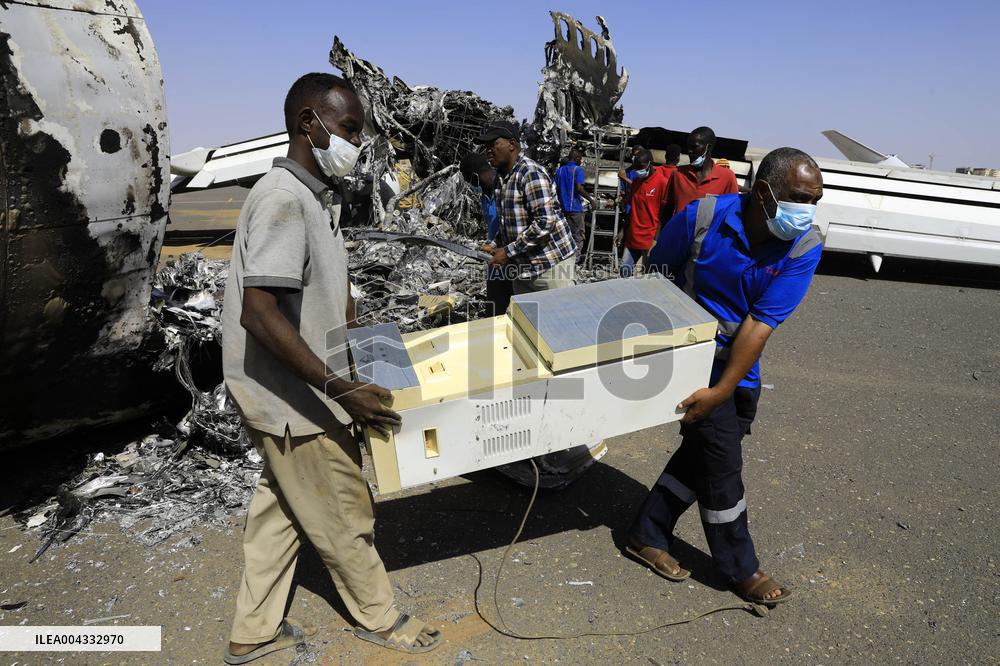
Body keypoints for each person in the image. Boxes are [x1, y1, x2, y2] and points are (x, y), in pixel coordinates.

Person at [221, 73, 441, 663]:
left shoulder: (315, 199)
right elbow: (259, 313)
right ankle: (381, 616)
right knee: (345, 510)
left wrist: (366, 353)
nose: (354, 142)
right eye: (346, 129)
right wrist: (339, 387)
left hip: (292, 392)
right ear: (307, 124)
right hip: (299, 400)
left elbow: (327, 295)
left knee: (281, 509)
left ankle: (252, 632)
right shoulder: (283, 199)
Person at [626, 147, 824, 607]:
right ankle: (741, 567)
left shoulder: (803, 245)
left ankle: (645, 532)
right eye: (798, 197)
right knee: (722, 464)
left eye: (815, 200)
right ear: (763, 192)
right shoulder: (703, 217)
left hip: (737, 370)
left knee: (702, 457)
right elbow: (655, 275)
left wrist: (722, 391)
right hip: (686, 359)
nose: (807, 210)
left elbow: (759, 325)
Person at [474, 120, 576, 294]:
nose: (488, 151)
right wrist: (494, 244)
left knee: (556, 318)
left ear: (512, 144)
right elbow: (509, 222)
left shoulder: (530, 173)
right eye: (486, 147)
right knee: (526, 319)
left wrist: (506, 252)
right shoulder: (500, 178)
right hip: (523, 268)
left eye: (493, 145)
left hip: (550, 265)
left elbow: (545, 223)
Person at [460, 152, 510, 315]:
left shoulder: (505, 188)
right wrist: (490, 245)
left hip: (510, 255)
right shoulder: (485, 195)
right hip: (494, 256)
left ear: (475, 176)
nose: (470, 185)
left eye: (469, 181)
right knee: (495, 305)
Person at [619, 148, 675, 277]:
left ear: (651, 164)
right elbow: (632, 208)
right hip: (633, 235)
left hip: (650, 239)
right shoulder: (636, 183)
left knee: (647, 276)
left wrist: (657, 238)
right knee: (624, 271)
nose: (639, 171)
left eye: (641, 168)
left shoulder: (662, 183)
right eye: (636, 169)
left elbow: (665, 212)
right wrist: (623, 231)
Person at [664, 126, 738, 216]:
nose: (690, 151)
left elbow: (732, 213)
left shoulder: (727, 177)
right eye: (688, 148)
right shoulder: (678, 174)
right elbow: (666, 211)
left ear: (708, 147)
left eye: (694, 147)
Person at [554, 146, 594, 257]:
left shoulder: (559, 171)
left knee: (565, 235)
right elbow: (579, 188)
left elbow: (555, 188)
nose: (581, 161)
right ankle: (574, 261)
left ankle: (564, 257)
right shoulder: (578, 170)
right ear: (576, 158)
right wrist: (591, 200)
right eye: (580, 159)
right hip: (575, 208)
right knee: (578, 235)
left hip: (562, 208)